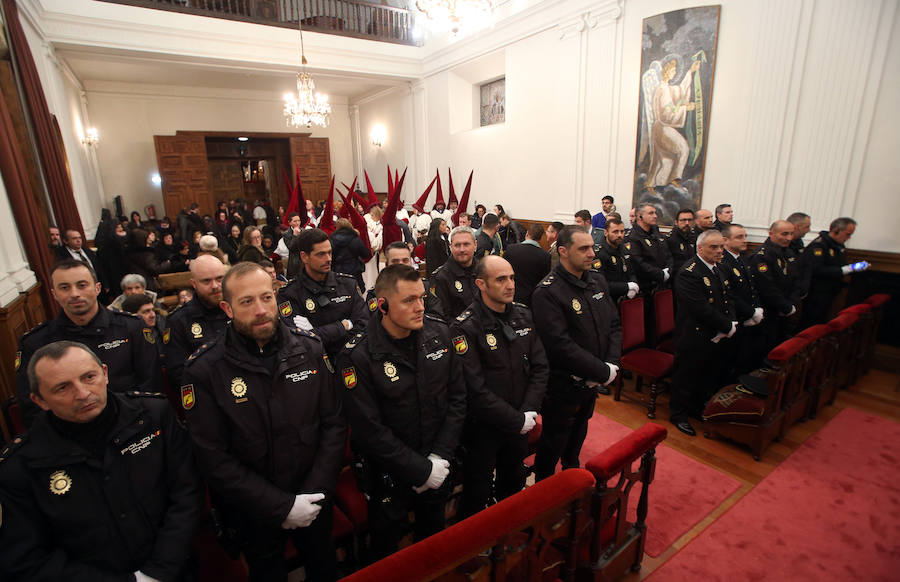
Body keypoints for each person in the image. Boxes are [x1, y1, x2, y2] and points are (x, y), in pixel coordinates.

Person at [183, 263, 346, 581]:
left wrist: (313, 494)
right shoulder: (204, 370)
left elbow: (334, 426)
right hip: (254, 512)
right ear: (227, 308)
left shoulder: (310, 348)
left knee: (324, 569)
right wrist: (280, 507)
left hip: (314, 499)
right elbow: (214, 458)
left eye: (266, 298)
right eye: (247, 302)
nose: (260, 310)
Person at [0, 341, 202, 581]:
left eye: (88, 377)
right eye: (62, 388)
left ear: (105, 374)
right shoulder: (18, 466)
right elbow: (27, 559)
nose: (83, 393)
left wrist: (159, 571)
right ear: (40, 400)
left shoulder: (154, 415)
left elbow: (187, 492)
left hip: (174, 569)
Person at [339, 265, 466, 558]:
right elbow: (369, 430)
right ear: (382, 305)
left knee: (432, 544)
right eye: (409, 300)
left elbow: (457, 399)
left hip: (438, 462)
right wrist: (420, 470)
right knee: (387, 551)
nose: (420, 307)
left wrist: (438, 459)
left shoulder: (439, 333)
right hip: (388, 475)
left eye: (421, 297)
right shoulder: (357, 355)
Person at [451, 256, 548, 517]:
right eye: (501, 279)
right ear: (481, 283)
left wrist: (528, 411)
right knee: (477, 490)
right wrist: (516, 419)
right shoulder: (464, 328)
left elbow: (540, 367)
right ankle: (472, 545)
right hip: (484, 427)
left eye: (512, 278)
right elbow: (475, 390)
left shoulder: (523, 314)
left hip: (521, 420)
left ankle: (507, 529)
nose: (510, 285)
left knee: (513, 481)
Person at [15, 260, 160, 426]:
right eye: (64, 288)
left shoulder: (131, 327)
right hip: (70, 434)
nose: (74, 293)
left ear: (97, 288)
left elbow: (150, 384)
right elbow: (32, 407)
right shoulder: (35, 343)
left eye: (82, 285)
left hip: (131, 423)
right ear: (54, 294)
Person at [531, 226, 621, 480]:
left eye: (592, 247)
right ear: (563, 252)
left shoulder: (597, 280)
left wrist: (610, 365)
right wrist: (601, 371)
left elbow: (614, 324)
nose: (592, 253)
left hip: (593, 380)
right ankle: (544, 487)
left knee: (580, 428)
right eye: (583, 249)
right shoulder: (547, 292)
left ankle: (572, 471)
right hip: (563, 385)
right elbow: (559, 346)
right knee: (554, 440)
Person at [670, 230, 738, 436]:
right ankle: (679, 414)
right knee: (686, 376)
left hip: (715, 332)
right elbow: (699, 308)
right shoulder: (689, 272)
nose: (720, 251)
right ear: (700, 249)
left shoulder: (719, 269)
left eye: (721, 246)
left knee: (705, 374)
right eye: (714, 247)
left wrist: (731, 320)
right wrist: (727, 326)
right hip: (693, 334)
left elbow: (728, 298)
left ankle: (696, 407)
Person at [277, 228, 368, 357]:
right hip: (314, 363)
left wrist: (315, 332)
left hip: (350, 358)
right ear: (304, 257)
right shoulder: (289, 293)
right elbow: (297, 340)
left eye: (330, 253)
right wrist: (343, 326)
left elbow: (364, 326)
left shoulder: (348, 284)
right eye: (321, 254)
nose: (328, 259)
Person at [164, 254, 230, 389]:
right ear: (194, 284)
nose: (215, 286)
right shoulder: (178, 321)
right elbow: (178, 374)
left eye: (219, 279)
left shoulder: (238, 308)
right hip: (208, 394)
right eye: (206, 281)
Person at [801, 217, 869, 327]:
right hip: (817, 291)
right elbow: (817, 269)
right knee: (811, 322)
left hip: (830, 290)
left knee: (820, 321)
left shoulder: (837, 246)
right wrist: (844, 270)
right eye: (847, 234)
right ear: (836, 230)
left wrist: (852, 268)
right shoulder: (819, 245)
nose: (849, 238)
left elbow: (840, 263)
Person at [646, 56, 702, 188]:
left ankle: (658, 185)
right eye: (673, 70)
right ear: (666, 71)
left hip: (662, 128)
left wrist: (690, 72)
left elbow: (681, 91)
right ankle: (674, 180)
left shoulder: (667, 88)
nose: (674, 73)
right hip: (662, 127)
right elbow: (666, 114)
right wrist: (685, 108)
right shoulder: (662, 89)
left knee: (667, 160)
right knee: (684, 148)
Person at [748, 220, 802, 351]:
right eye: (784, 234)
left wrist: (791, 304)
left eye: (791, 234)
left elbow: (795, 280)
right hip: (768, 310)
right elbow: (767, 287)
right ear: (771, 233)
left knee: (779, 343)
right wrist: (785, 306)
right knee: (763, 346)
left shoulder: (788, 253)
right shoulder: (762, 256)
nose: (789, 238)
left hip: (786, 309)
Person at [720, 223, 765, 376]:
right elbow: (729, 294)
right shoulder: (723, 262)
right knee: (729, 361)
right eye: (739, 237)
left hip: (747, 317)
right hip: (734, 318)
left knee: (745, 356)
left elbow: (752, 287)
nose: (745, 240)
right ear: (725, 240)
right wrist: (750, 312)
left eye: (745, 236)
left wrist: (757, 308)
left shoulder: (743, 259)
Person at [429, 226, 479, 320]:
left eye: (466, 244)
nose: (462, 249)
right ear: (451, 247)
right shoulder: (441, 277)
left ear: (475, 245)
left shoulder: (485, 270)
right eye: (457, 245)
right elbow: (442, 316)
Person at [626, 204, 673, 292]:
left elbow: (668, 254)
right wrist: (660, 274)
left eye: (655, 213)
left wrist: (668, 271)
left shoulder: (657, 234)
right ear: (640, 217)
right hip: (646, 286)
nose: (655, 216)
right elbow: (638, 263)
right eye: (651, 213)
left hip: (663, 283)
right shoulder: (633, 237)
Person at [502, 223, 550, 306]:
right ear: (541, 237)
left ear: (527, 233)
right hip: (531, 299)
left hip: (509, 293)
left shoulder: (511, 249)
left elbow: (502, 269)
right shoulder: (545, 256)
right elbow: (544, 281)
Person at [593, 218, 639, 300]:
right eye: (615, 232)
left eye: (622, 231)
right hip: (609, 299)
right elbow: (600, 283)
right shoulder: (599, 253)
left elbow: (632, 271)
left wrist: (633, 284)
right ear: (606, 232)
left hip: (627, 297)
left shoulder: (624, 249)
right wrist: (626, 287)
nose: (619, 235)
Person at [330, 218, 371, 292]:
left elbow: (331, 257)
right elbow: (366, 254)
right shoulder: (355, 238)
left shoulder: (332, 239)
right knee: (357, 292)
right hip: (354, 270)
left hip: (338, 271)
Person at [121, 292, 166, 358]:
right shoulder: (124, 339)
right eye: (146, 311)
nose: (153, 315)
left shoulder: (162, 325)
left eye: (153, 310)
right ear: (132, 316)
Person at [666, 208, 697, 276]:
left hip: (693, 275)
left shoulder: (695, 237)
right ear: (676, 222)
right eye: (683, 220)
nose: (687, 223)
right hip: (676, 276)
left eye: (690, 220)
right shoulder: (669, 239)